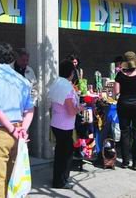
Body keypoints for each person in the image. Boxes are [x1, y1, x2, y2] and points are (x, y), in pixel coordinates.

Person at [0, 43, 34, 198]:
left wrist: (12, 129)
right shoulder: (22, 80)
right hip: (18, 132)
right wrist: (22, 129)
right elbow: (30, 109)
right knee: (14, 179)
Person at [49, 60, 85, 189]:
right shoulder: (67, 87)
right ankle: (61, 180)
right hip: (65, 125)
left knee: (59, 153)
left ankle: (57, 178)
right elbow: (71, 110)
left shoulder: (56, 82)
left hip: (56, 123)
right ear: (71, 73)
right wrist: (80, 108)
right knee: (66, 155)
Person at [114, 51, 136, 171]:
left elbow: (116, 92)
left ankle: (125, 161)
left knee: (124, 132)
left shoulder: (119, 75)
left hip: (124, 104)